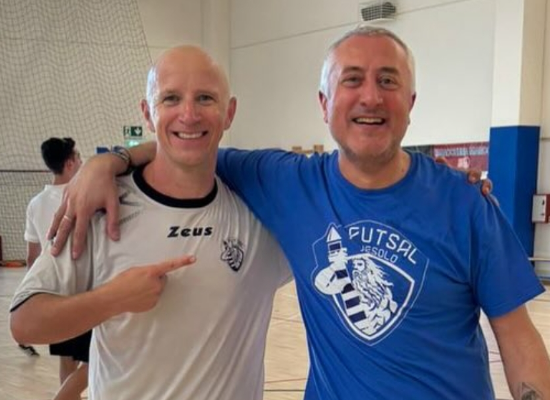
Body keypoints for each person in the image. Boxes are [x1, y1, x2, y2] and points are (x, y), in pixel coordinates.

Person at [44, 27, 549, 399]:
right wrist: (107, 162)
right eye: (353, 80)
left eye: (387, 80)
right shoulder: (286, 182)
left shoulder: (466, 203)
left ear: (410, 101)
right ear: (324, 103)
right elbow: (189, 142)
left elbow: (520, 342)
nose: (370, 96)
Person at [10, 46, 291, 400]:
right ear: (147, 112)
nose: (189, 114)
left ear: (229, 112)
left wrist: (116, 158)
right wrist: (112, 299)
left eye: (205, 98)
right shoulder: (101, 207)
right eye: (171, 98)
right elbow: (24, 323)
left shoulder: (258, 218)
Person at [23, 137, 91, 400]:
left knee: (66, 358)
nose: (82, 162)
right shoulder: (84, 196)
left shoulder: (35, 203)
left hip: (53, 291)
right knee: (95, 356)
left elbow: (32, 257)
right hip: (84, 288)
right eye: (79, 157)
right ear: (70, 162)